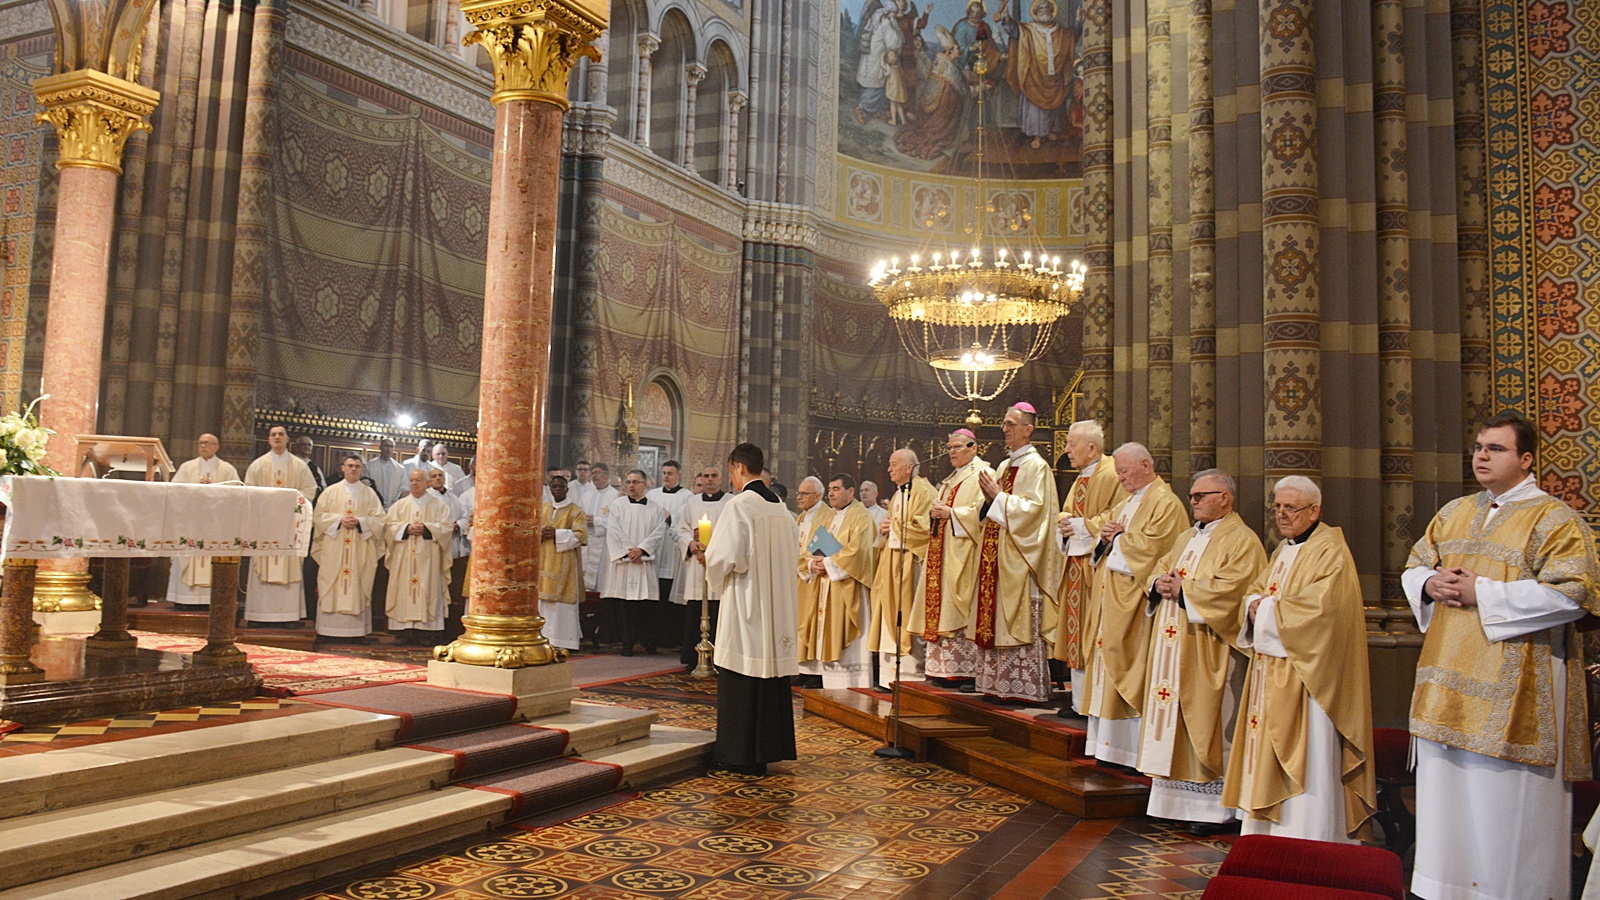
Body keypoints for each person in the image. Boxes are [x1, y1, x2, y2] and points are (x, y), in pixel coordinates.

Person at [1402, 411, 1600, 900]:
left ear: (1526, 459)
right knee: (1446, 810)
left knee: (1503, 814)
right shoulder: (1453, 511)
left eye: (1495, 448)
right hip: (1445, 681)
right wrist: (1428, 584)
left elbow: (1575, 594)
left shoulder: (1554, 519)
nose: (1482, 456)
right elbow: (1415, 565)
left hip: (1517, 691)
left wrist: (1483, 593)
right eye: (1478, 447)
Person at [1224, 475, 1376, 844]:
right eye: (1277, 507)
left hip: (1311, 679)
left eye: (1290, 507)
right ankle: (1266, 836)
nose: (1281, 514)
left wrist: (1265, 610)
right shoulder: (1283, 549)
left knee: (1311, 758)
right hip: (1271, 671)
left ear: (1314, 510)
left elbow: (1324, 612)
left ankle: (1310, 837)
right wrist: (1254, 604)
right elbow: (1255, 590)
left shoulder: (1330, 550)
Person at [1138, 469, 1265, 833]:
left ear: (1225, 498)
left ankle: (1214, 810)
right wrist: (1158, 583)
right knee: (1174, 720)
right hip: (1173, 644)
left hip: (1210, 649)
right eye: (1192, 496)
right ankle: (1173, 802)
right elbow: (1162, 568)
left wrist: (1186, 590)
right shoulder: (1187, 536)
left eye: (1200, 496)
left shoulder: (1243, 541)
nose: (1192, 501)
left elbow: (1235, 590)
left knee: (1209, 719)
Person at [1084, 442, 1187, 766]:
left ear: (1145, 465)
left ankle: (1126, 751)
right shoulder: (1126, 502)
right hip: (1110, 601)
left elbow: (1156, 549)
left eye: (1125, 471)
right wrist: (1104, 538)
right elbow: (1106, 540)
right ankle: (1105, 747)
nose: (1121, 479)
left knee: (1129, 668)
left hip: (1135, 605)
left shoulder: (1166, 503)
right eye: (1118, 473)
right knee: (1106, 667)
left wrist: (1118, 539)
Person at [705, 441, 800, 775]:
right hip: (777, 607)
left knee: (742, 674)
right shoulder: (782, 510)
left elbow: (723, 557)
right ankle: (768, 750)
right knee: (771, 679)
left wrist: (710, 565)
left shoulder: (739, 506)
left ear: (740, 468)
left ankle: (738, 755)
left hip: (748, 604)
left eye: (731, 471)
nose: (732, 479)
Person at [973, 402, 1063, 704]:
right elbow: (989, 509)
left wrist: (998, 498)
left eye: (1012, 424)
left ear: (1028, 429)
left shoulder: (1037, 467)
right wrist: (990, 501)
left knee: (1017, 621)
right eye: (1004, 423)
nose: (1005, 429)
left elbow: (1035, 513)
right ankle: (996, 685)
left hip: (1021, 560)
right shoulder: (1003, 466)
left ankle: (1021, 687)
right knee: (995, 620)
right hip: (996, 557)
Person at [1052, 419, 1127, 712]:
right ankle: (1078, 701)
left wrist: (1081, 525)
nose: (1066, 450)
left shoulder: (1112, 475)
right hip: (1076, 564)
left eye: (1072, 444)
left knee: (1092, 634)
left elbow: (1119, 516)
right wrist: (1064, 522)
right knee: (1076, 633)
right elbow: (1067, 511)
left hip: (1097, 569)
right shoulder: (1081, 477)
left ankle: (1092, 703)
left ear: (1092, 447)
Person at [913, 429, 991, 690]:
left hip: (965, 553)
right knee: (942, 608)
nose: (952, 452)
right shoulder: (952, 478)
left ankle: (967, 672)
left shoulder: (983, 474)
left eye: (958, 447)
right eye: (949, 448)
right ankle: (942, 669)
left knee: (961, 610)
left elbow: (984, 513)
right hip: (943, 551)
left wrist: (951, 513)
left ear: (973, 448)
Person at [803, 474, 878, 688]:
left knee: (850, 641)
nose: (831, 494)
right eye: (829, 489)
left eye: (836, 489)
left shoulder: (862, 517)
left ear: (851, 492)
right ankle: (830, 686)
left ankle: (855, 684)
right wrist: (812, 564)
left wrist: (827, 563)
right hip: (827, 586)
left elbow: (859, 553)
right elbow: (812, 547)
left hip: (849, 587)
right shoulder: (829, 517)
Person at [869, 448, 935, 689]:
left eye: (894, 464)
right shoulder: (899, 494)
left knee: (909, 616)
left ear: (909, 467)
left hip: (911, 565)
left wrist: (893, 526)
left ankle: (910, 678)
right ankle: (889, 677)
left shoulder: (924, 491)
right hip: (892, 563)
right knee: (889, 615)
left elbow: (926, 529)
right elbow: (892, 525)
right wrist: (885, 528)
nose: (889, 469)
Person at [243, 425, 318, 627]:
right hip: (264, 526)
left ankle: (288, 616)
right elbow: (248, 492)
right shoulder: (258, 465)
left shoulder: (299, 466)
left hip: (289, 525)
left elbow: (309, 490)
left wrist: (292, 504)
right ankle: (258, 615)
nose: (277, 437)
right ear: (269, 440)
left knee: (289, 568)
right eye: (273, 435)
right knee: (262, 567)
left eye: (281, 434)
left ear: (287, 439)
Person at [311, 454, 385, 641]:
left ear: (362, 469)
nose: (353, 469)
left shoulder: (369, 494)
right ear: (342, 468)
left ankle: (356, 632)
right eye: (350, 466)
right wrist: (339, 520)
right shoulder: (330, 492)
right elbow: (318, 517)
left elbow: (379, 520)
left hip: (359, 548)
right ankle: (328, 630)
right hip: (334, 547)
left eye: (357, 466)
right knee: (331, 582)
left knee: (358, 583)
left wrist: (360, 522)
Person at [165, 433, 240, 610]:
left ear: (216, 447)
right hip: (192, 522)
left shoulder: (227, 469)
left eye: (207, 443)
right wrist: (196, 490)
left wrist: (214, 490)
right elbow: (175, 493)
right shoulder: (187, 468)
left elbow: (237, 495)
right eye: (201, 443)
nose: (203, 446)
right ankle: (185, 599)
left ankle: (210, 599)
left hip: (216, 524)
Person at [601, 469, 669, 656]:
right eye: (629, 482)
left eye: (635, 482)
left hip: (644, 563)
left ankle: (648, 641)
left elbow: (658, 532)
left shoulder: (655, 508)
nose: (631, 486)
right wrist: (629, 551)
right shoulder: (618, 505)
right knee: (624, 604)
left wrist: (642, 549)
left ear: (645, 485)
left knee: (645, 604)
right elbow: (613, 530)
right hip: (625, 562)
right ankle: (626, 643)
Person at [385, 469, 454, 645]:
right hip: (404, 556)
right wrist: (405, 528)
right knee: (403, 588)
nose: (414, 483)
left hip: (428, 557)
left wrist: (427, 528)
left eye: (418, 480)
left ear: (427, 483)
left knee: (428, 587)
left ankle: (427, 632)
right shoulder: (399, 505)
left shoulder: (439, 506)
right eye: (411, 480)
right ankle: (403, 631)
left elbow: (446, 527)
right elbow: (388, 527)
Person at [999, 0, 1077, 148]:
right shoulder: (1028, 29)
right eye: (1040, 8)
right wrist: (1005, 14)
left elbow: (1072, 35)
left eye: (1047, 7)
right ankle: (1037, 136)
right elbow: (1013, 29)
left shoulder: (1062, 31)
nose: (1044, 10)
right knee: (1035, 108)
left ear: (1052, 11)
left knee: (1054, 107)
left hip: (1055, 75)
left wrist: (1079, 21)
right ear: (1035, 12)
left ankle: (1051, 130)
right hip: (1034, 76)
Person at [678, 465, 732, 666]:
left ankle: (718, 660)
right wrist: (690, 543)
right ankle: (693, 658)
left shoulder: (730, 503)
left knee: (718, 610)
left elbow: (734, 533)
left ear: (721, 479)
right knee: (696, 609)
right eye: (706, 476)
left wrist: (713, 553)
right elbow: (681, 529)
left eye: (714, 476)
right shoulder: (692, 503)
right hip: (697, 564)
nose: (709, 479)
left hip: (719, 565)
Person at [647, 460, 693, 650]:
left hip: (674, 552)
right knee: (655, 596)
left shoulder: (687, 497)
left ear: (679, 474)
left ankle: (672, 638)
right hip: (656, 551)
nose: (666, 476)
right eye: (664, 473)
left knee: (671, 596)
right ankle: (654, 637)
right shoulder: (652, 495)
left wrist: (670, 518)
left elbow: (687, 523)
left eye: (670, 473)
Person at [539, 474, 588, 652]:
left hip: (565, 564)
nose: (558, 490)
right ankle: (542, 639)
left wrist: (557, 534)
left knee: (561, 608)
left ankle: (564, 641)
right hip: (544, 560)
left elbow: (581, 536)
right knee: (543, 603)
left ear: (567, 489)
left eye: (561, 487)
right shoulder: (543, 508)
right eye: (555, 487)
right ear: (550, 489)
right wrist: (540, 534)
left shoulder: (576, 511)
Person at [792, 476, 827, 687]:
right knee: (798, 621)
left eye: (804, 494)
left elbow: (822, 551)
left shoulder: (827, 517)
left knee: (813, 623)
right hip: (800, 578)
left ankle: (815, 672)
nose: (799, 497)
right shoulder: (800, 518)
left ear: (818, 495)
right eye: (799, 493)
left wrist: (807, 564)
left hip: (815, 579)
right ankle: (801, 669)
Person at [581, 463, 618, 598]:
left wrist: (596, 521)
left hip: (604, 544)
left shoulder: (615, 497)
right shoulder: (586, 496)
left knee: (602, 580)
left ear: (606, 475)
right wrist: (583, 519)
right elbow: (577, 515)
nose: (594, 476)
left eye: (597, 473)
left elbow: (617, 522)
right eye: (593, 473)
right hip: (587, 543)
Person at [366, 437, 408, 508]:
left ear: (394, 449)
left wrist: (394, 503)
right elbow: (366, 487)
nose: (389, 449)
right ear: (380, 447)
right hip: (373, 506)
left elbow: (403, 489)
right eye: (386, 446)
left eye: (391, 447)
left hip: (393, 507)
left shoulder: (400, 469)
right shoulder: (369, 466)